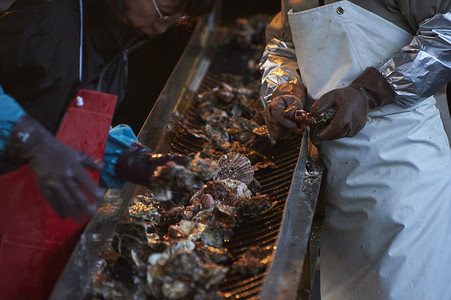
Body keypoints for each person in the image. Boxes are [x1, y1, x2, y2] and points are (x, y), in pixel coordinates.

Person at [0, 0, 213, 298]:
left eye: (179, 17)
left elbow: (64, 116)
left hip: (36, 249)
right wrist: (30, 140)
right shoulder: (39, 22)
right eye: (165, 8)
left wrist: (131, 159)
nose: (165, 24)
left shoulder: (117, 37)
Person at [259, 1, 451, 299]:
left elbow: (447, 30)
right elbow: (283, 45)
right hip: (337, 181)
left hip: (407, 178)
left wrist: (369, 90)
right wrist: (285, 87)